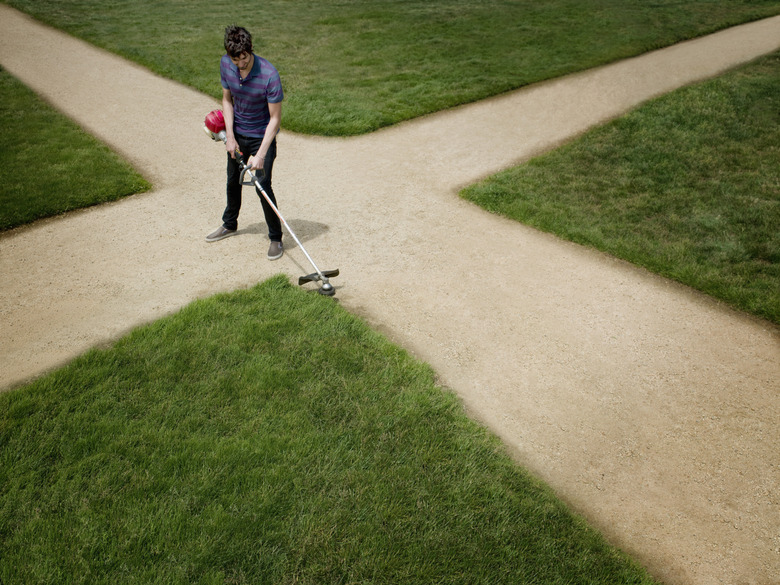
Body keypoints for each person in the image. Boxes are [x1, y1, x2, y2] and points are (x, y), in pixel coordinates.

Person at [206, 25, 285, 261]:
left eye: (245, 58)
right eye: (236, 60)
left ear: (250, 50)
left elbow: (275, 119)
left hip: (263, 136)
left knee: (263, 186)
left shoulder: (269, 75)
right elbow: (226, 100)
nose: (241, 64)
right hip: (238, 134)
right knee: (233, 180)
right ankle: (229, 224)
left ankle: (276, 238)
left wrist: (260, 154)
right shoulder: (226, 64)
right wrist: (230, 136)